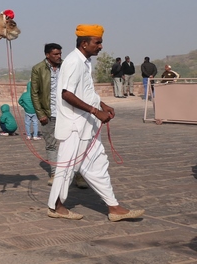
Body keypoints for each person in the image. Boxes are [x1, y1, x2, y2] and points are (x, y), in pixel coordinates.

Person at [47, 24, 144, 222]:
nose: (100, 46)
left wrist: (102, 104)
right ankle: (56, 206)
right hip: (74, 127)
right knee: (67, 168)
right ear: (84, 43)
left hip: (87, 127)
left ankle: (114, 207)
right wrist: (95, 111)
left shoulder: (85, 62)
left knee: (97, 164)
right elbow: (66, 94)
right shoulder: (73, 62)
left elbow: (87, 92)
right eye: (97, 42)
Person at [31, 43, 89, 187]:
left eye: (60, 54)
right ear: (47, 55)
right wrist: (40, 113)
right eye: (55, 54)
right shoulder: (38, 69)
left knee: (74, 144)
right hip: (49, 113)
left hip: (68, 112)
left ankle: (78, 175)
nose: (58, 57)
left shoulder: (67, 66)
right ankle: (55, 173)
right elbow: (35, 93)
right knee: (51, 145)